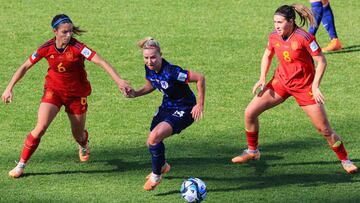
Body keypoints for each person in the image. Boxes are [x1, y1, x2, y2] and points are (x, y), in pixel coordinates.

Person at [231, 4, 357, 174]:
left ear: (291, 21)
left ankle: (345, 160)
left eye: (280, 22)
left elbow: (321, 61)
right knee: (249, 112)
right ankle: (253, 151)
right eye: (275, 22)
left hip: (304, 88)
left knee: (325, 129)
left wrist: (315, 85)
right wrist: (262, 77)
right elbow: (268, 54)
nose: (276, 26)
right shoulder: (274, 37)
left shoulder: (305, 38)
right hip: (281, 83)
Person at [2, 14, 131, 178]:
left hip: (77, 95)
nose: (69, 35)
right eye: (64, 32)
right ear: (55, 31)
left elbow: (101, 61)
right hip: (53, 91)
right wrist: (9, 88)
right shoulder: (46, 48)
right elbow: (25, 66)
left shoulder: (78, 48)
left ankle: (84, 142)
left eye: (70, 31)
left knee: (77, 135)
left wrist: (119, 80)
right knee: (40, 127)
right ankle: (21, 165)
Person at [127, 37, 205, 190]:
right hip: (167, 106)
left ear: (160, 55)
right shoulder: (149, 68)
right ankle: (162, 165)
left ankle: (156, 176)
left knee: (155, 137)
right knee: (151, 142)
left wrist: (199, 104)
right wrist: (135, 93)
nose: (149, 61)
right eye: (146, 58)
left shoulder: (173, 72)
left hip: (184, 109)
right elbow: (151, 85)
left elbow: (200, 78)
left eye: (153, 57)